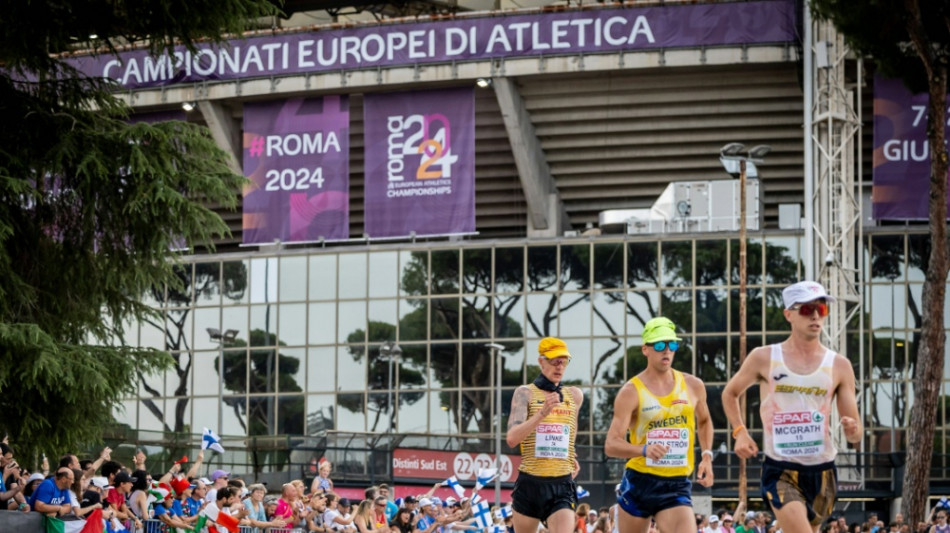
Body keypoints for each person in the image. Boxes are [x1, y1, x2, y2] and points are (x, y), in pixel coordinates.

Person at [722, 281, 862, 533]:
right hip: (781, 466)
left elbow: (856, 432)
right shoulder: (765, 357)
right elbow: (730, 393)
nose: (817, 315)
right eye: (808, 310)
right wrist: (740, 431)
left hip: (823, 469)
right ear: (789, 314)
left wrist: (852, 429)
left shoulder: (839, 365)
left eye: (821, 308)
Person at [604, 317, 714, 533]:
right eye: (660, 345)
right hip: (640, 482)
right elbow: (611, 444)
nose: (667, 351)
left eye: (672, 345)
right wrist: (643, 449)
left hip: (676, 482)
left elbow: (704, 420)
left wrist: (707, 455)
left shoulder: (693, 385)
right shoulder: (630, 391)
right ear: (645, 349)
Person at [507, 337, 584, 533]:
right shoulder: (525, 393)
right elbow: (512, 438)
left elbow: (570, 431)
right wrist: (542, 414)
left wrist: (570, 454)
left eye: (564, 361)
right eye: (554, 361)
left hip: (561, 483)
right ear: (541, 361)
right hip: (530, 482)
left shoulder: (574, 396)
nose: (559, 366)